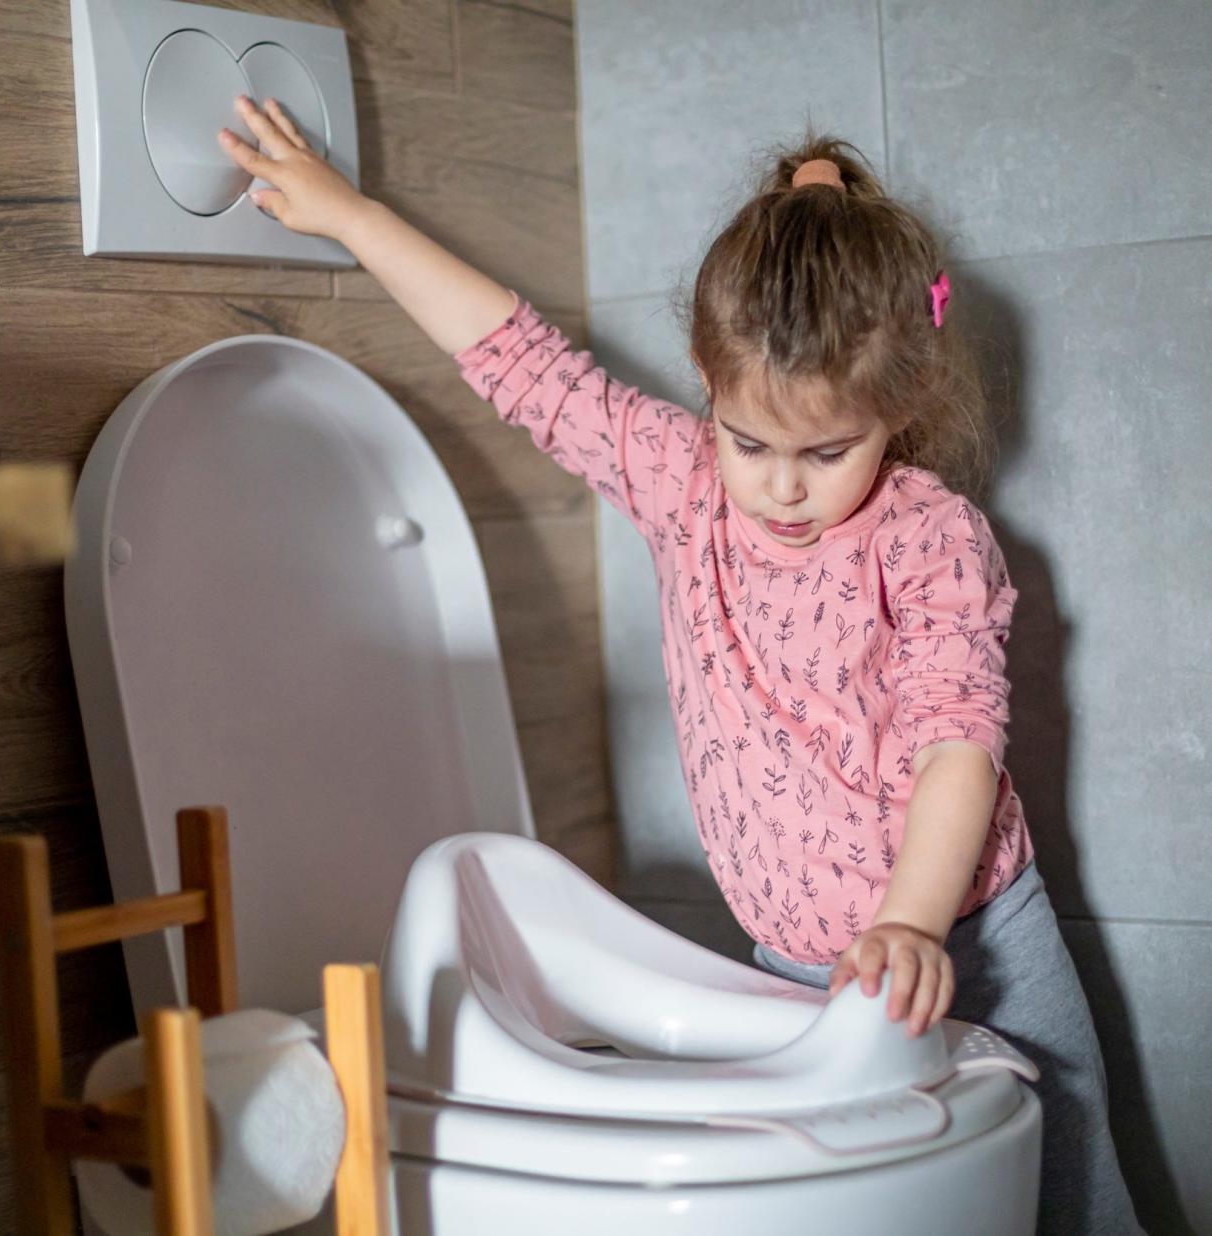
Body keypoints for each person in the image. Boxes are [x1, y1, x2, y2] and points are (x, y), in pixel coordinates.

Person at [218, 95, 1146, 1235]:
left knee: (1073, 1196)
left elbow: (960, 736)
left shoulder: (928, 534)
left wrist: (911, 923)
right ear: (707, 386)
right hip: (788, 967)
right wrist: (354, 218)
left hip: (975, 935)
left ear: (896, 409)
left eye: (827, 450)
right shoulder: (677, 478)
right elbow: (517, 359)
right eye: (750, 441)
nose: (782, 486)